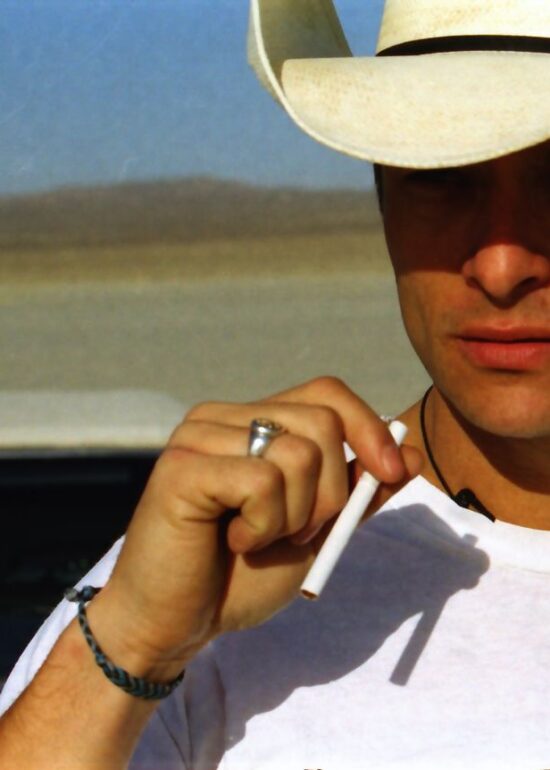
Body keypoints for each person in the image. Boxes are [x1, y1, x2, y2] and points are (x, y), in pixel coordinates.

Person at [0, 0, 549, 767]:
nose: (501, 265)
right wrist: (139, 642)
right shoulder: (211, 580)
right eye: (440, 178)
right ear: (382, 197)